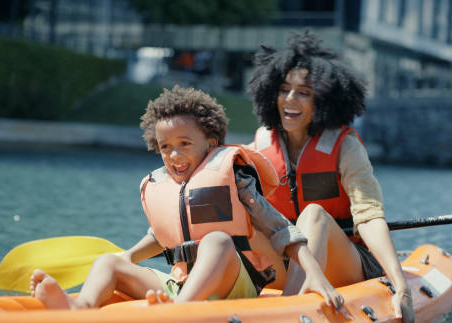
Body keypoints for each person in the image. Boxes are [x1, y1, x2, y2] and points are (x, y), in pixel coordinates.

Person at [30, 85, 344, 310]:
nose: (174, 155)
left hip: (235, 284)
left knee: (217, 241)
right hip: (180, 283)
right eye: (165, 147)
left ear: (210, 141)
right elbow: (163, 234)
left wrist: (315, 275)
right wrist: (126, 257)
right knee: (108, 261)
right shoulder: (163, 183)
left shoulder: (234, 177)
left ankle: (177, 311)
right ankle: (80, 306)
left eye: (184, 143)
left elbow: (281, 230)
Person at [247, 29, 415, 322]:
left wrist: (401, 287)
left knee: (314, 214)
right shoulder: (261, 144)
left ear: (323, 100)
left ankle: (288, 308)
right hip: (288, 258)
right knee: (240, 215)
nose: (290, 100)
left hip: (346, 262)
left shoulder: (345, 146)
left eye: (304, 93)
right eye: (284, 89)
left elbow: (370, 216)